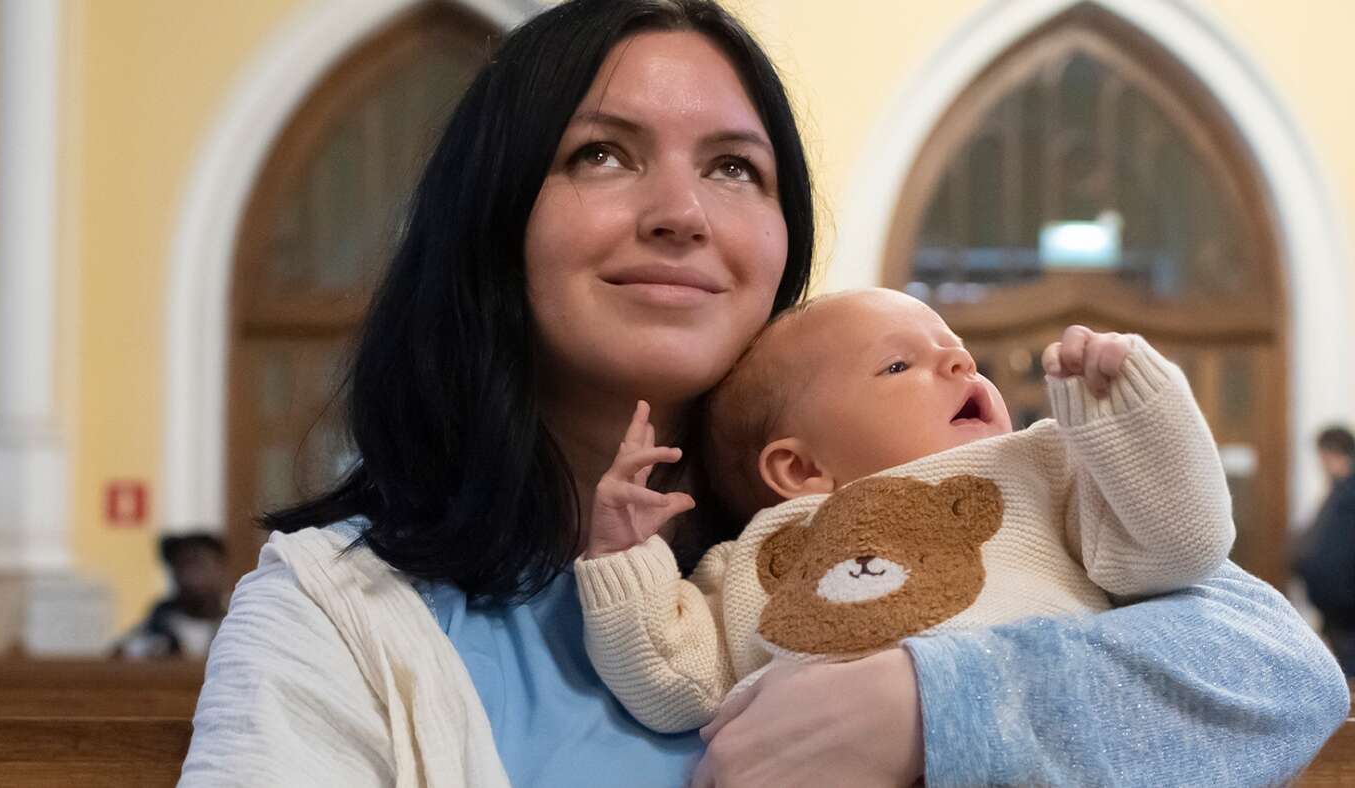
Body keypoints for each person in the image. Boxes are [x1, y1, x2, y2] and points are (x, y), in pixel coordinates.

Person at [179, 1, 1349, 786]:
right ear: (492, 217)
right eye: (601, 152)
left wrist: (928, 706)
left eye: (736, 166)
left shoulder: (882, 489)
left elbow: (1281, 673)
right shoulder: (337, 613)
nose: (682, 210)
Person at [577, 290, 1235, 733]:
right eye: (898, 364)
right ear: (800, 469)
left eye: (955, 347)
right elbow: (673, 683)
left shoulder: (1041, 473)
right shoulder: (756, 560)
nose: (960, 359)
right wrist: (625, 558)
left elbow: (1179, 548)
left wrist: (1134, 417)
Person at [1295, 425, 1355, 676]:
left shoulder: (1347, 495)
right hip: (1337, 617)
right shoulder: (1339, 492)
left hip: (1346, 619)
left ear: (1329, 454)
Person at [113, 533, 229, 659]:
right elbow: (118, 657)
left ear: (221, 568)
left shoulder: (237, 620)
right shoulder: (156, 625)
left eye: (199, 564)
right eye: (184, 565)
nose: (191, 576)